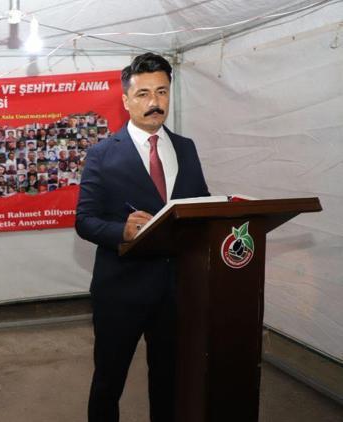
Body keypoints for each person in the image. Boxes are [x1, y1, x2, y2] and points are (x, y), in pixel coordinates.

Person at [75, 53, 210, 422]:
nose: (154, 103)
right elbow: (85, 221)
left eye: (162, 92)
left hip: (175, 290)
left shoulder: (186, 148)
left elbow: (199, 207)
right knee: (108, 382)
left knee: (169, 380)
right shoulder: (101, 155)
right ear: (126, 100)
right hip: (120, 290)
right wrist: (122, 229)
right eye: (144, 94)